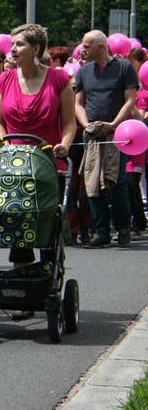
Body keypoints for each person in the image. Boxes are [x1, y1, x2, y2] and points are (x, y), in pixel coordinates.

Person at [0, 24, 76, 320]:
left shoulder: (59, 80)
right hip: (13, 164)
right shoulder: (4, 80)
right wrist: (4, 144)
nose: (12, 50)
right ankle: (22, 293)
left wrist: (64, 144)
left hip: (48, 162)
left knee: (45, 225)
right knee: (16, 221)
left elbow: (68, 123)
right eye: (12, 45)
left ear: (36, 49)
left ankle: (47, 286)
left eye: (19, 45)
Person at [74, 30, 138, 248]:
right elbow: (78, 103)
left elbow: (130, 100)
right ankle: (101, 231)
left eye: (87, 46)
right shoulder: (83, 71)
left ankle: (122, 227)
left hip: (116, 133)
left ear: (101, 47)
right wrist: (86, 125)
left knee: (116, 181)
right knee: (92, 183)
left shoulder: (124, 67)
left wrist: (114, 124)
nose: (82, 49)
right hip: (92, 134)